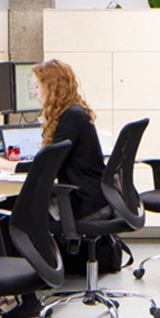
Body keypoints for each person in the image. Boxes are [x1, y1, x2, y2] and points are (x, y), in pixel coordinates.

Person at [32, 58, 106, 229]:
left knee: (14, 214)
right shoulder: (75, 112)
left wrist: (5, 165)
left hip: (84, 204)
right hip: (93, 198)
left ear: (52, 88)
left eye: (37, 87)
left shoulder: (71, 117)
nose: (34, 93)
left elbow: (46, 166)